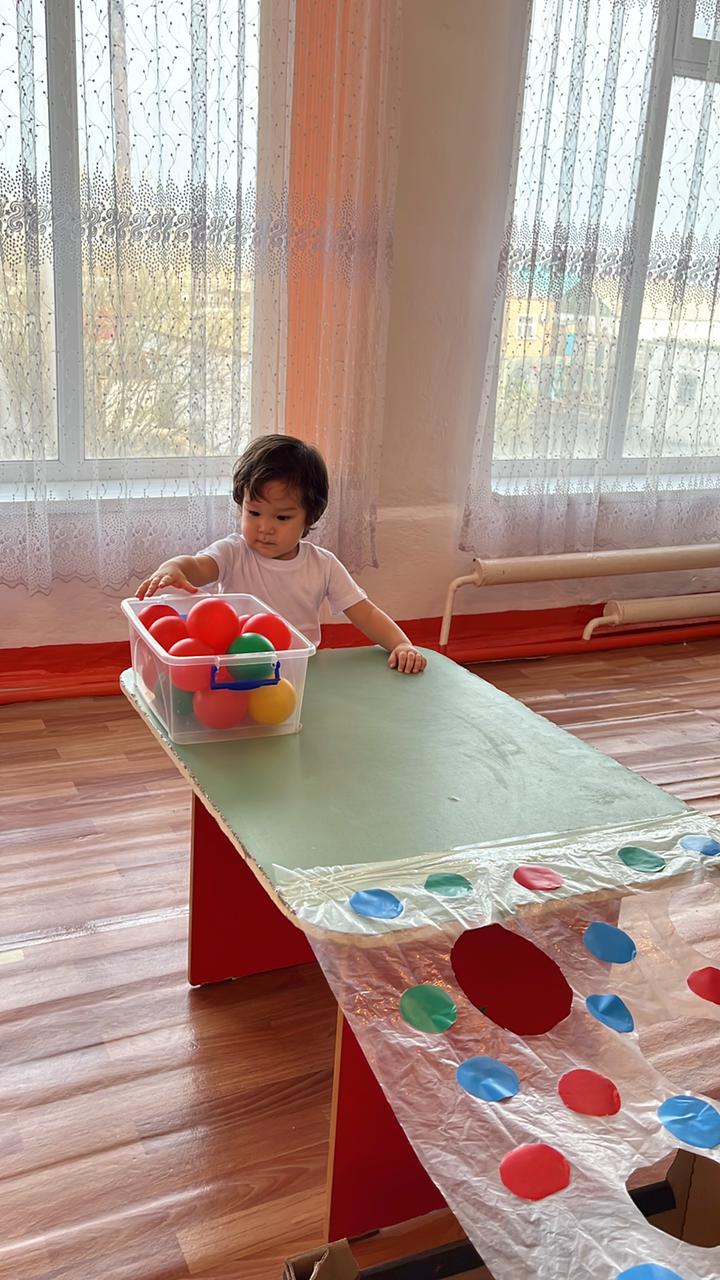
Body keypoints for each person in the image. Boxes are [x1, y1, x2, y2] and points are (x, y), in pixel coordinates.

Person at [137, 434, 427, 674]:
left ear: (309, 517)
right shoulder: (233, 552)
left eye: (282, 517)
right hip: (237, 669)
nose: (265, 527)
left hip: (298, 671)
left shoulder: (322, 565)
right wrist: (174, 567)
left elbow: (365, 613)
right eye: (254, 513)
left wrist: (400, 643)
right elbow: (199, 566)